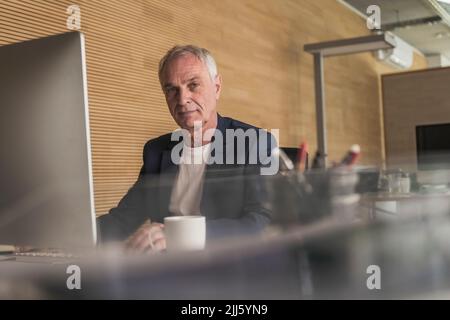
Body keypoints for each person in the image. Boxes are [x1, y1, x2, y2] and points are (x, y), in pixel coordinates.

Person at [97, 45, 275, 252]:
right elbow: (124, 218)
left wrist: (180, 235)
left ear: (217, 87)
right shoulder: (156, 150)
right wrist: (72, 236)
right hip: (167, 267)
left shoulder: (254, 142)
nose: (182, 100)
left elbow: (264, 223)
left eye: (193, 85)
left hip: (228, 266)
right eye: (172, 90)